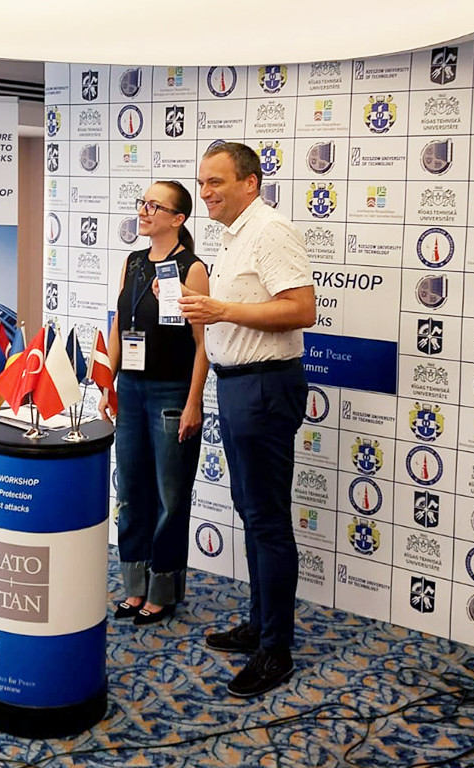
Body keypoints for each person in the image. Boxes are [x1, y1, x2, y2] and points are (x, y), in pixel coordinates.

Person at [178, 142, 315, 698]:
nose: (205, 192)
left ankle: (275, 650)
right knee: (251, 511)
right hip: (237, 386)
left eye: (215, 182)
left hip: (264, 386)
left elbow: (302, 309)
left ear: (250, 182)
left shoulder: (270, 230)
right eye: (202, 183)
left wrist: (222, 310)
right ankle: (260, 626)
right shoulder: (233, 237)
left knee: (267, 519)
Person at [99, 180, 210, 625]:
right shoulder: (132, 262)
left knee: (169, 496)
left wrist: (193, 402)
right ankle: (134, 585)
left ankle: (162, 589)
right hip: (129, 389)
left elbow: (203, 345)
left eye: (154, 206)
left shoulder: (192, 268)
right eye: (142, 203)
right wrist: (108, 384)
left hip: (171, 393)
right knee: (131, 492)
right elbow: (118, 326)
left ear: (178, 219)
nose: (143, 211)